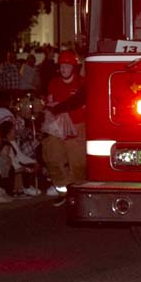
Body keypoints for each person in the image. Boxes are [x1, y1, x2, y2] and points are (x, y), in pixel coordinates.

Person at [42, 49, 86, 201]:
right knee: (51, 155)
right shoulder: (54, 83)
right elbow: (49, 103)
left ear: (74, 67)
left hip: (78, 127)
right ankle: (62, 189)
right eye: (61, 65)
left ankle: (76, 193)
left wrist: (60, 105)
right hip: (58, 126)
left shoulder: (82, 83)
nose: (63, 69)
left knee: (78, 162)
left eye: (67, 65)